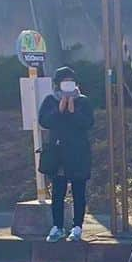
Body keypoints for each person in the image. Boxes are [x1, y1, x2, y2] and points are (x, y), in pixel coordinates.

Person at [38, 66, 94, 243]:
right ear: (57, 84)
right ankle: (58, 227)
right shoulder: (50, 100)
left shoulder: (83, 101)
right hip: (58, 153)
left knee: (79, 192)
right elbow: (44, 121)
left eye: (71, 82)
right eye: (64, 82)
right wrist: (59, 110)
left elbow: (88, 123)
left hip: (78, 154)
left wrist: (72, 111)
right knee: (58, 192)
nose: (68, 86)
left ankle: (77, 227)